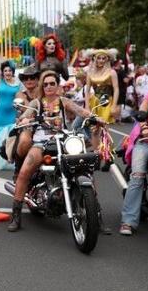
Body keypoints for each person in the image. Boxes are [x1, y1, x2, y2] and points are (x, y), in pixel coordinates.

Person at [8, 71, 97, 232]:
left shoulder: (64, 101)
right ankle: (16, 215)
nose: (49, 87)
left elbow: (80, 111)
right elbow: (25, 116)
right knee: (24, 172)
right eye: (46, 84)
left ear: (57, 86)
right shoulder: (36, 103)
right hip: (42, 143)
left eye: (52, 83)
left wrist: (94, 118)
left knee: (85, 168)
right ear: (42, 86)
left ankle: (96, 213)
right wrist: (25, 119)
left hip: (63, 141)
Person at [119, 91, 148, 235]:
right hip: (146, 141)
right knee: (138, 175)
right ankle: (128, 221)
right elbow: (141, 113)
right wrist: (145, 128)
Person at [0, 61, 20, 171]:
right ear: (2, 72)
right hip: (0, 113)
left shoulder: (18, 84)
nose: (7, 72)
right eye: (5, 71)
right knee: (1, 135)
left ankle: (10, 159)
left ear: (13, 72)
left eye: (9, 70)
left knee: (11, 134)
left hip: (13, 113)